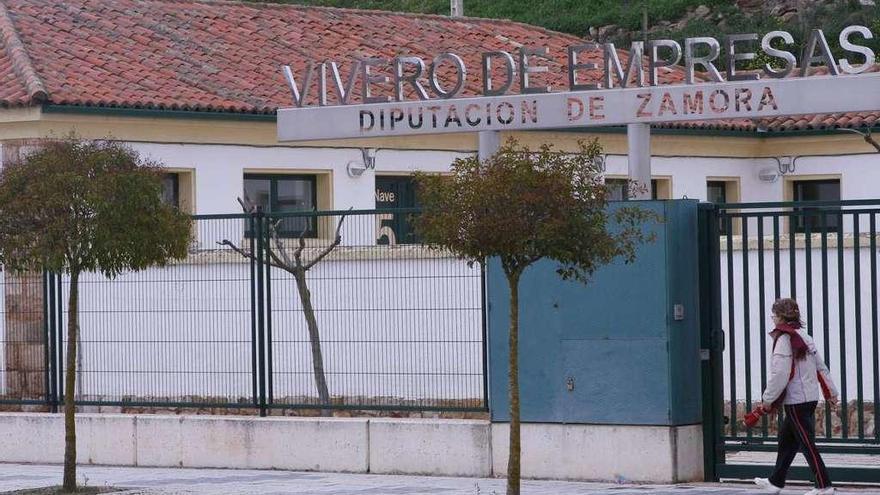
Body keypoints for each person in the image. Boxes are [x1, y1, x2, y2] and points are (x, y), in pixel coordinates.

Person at [755, 298, 839, 495]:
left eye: (774, 314)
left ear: (781, 316)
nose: (772, 318)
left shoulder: (784, 339)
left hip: (796, 400)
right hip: (809, 397)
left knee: (807, 444)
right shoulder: (804, 336)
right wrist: (831, 392)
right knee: (786, 440)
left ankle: (824, 485)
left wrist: (767, 400)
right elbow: (821, 367)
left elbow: (780, 375)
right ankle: (775, 482)